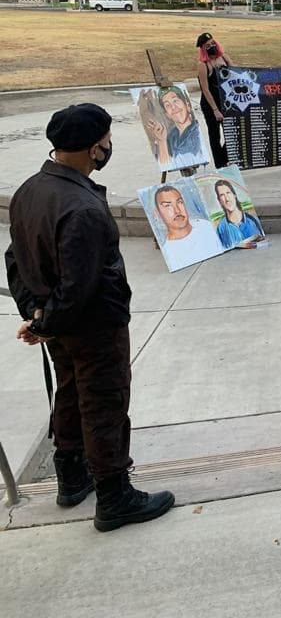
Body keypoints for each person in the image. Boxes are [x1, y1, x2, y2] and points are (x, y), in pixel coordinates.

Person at [4, 103, 175, 532]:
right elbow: (80, 287)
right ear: (93, 148)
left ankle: (72, 477)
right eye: (106, 141)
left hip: (59, 324)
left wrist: (37, 315)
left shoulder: (29, 190)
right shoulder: (83, 208)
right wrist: (46, 321)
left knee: (69, 393)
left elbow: (15, 259)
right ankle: (115, 496)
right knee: (104, 402)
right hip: (95, 326)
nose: (108, 148)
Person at [153, 185, 223, 270]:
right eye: (167, 205)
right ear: (157, 213)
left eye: (179, 202)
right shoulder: (169, 252)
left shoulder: (206, 226)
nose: (177, 210)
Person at [195, 32, 233, 168]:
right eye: (208, 45)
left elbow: (235, 74)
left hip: (225, 101)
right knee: (215, 134)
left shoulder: (224, 57)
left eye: (212, 43)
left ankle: (224, 158)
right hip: (211, 102)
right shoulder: (203, 65)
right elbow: (205, 89)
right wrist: (215, 110)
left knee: (231, 132)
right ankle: (220, 164)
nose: (211, 46)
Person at [148, 85, 204, 168]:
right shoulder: (171, 137)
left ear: (188, 106)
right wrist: (161, 140)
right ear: (167, 114)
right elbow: (166, 165)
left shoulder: (196, 133)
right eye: (167, 105)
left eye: (175, 101)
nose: (173, 107)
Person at [214, 178, 264, 248]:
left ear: (234, 195)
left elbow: (261, 240)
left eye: (228, 193)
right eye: (222, 195)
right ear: (219, 201)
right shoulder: (221, 228)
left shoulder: (252, 220)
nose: (227, 199)